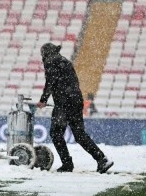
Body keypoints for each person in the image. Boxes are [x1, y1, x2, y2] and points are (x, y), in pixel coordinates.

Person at [36, 43, 113, 173]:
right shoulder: (64, 60)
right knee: (79, 135)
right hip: (76, 101)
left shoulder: (51, 61)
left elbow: (50, 81)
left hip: (64, 103)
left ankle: (67, 164)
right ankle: (102, 159)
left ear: (45, 53)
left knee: (56, 133)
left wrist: (43, 100)